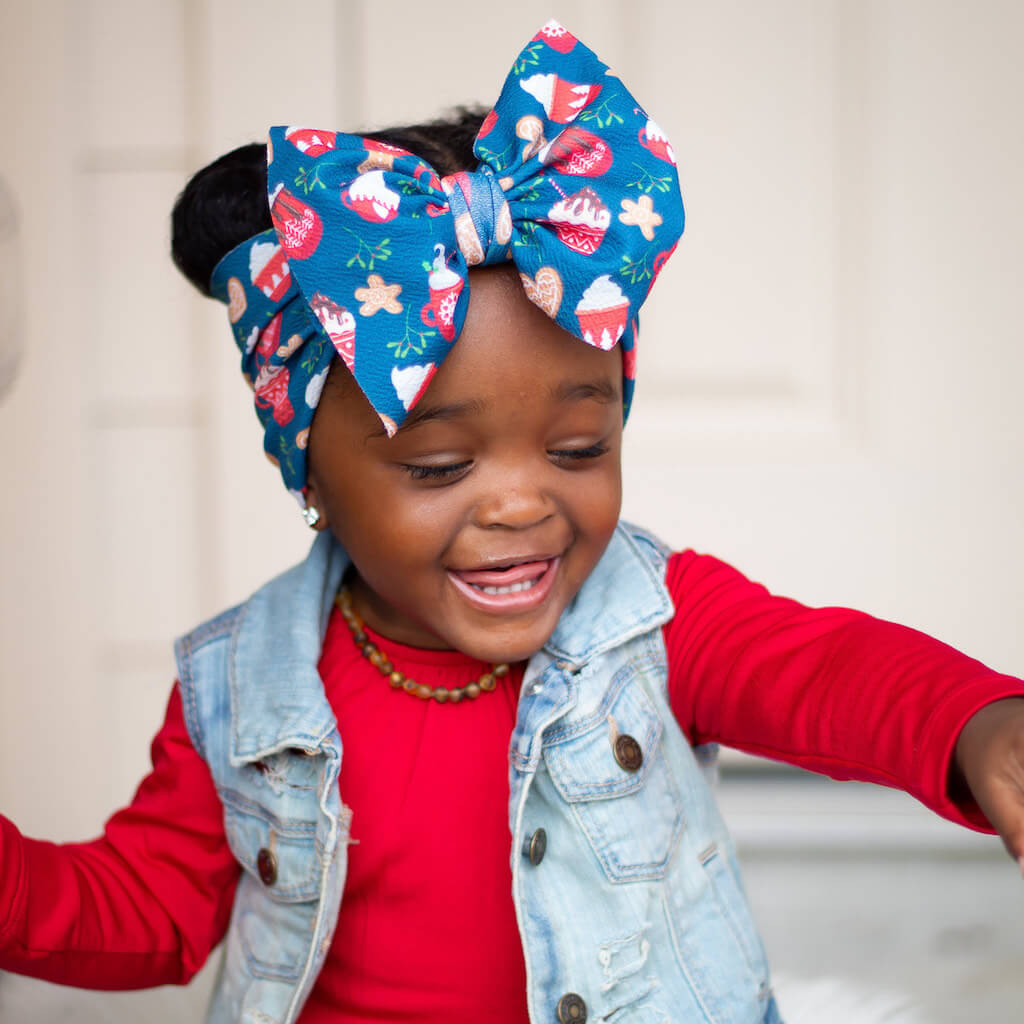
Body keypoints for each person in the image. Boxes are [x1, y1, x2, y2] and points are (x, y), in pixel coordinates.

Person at [2, 21, 1023, 1024]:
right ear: (308, 469)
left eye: (578, 449)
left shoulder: (654, 624)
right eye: (440, 464)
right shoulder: (240, 688)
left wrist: (976, 721)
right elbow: (145, 909)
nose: (520, 502)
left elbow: (827, 670)